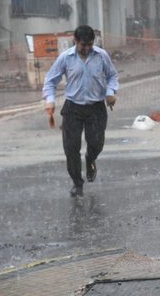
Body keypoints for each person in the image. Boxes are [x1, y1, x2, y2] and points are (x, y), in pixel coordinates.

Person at [42, 25, 119, 197]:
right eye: (83, 45)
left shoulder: (101, 56)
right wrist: (50, 100)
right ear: (75, 41)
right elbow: (50, 80)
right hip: (73, 108)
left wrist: (110, 92)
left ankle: (91, 159)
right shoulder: (66, 58)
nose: (87, 48)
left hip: (96, 108)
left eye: (90, 44)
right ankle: (77, 183)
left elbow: (113, 76)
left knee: (96, 143)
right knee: (71, 148)